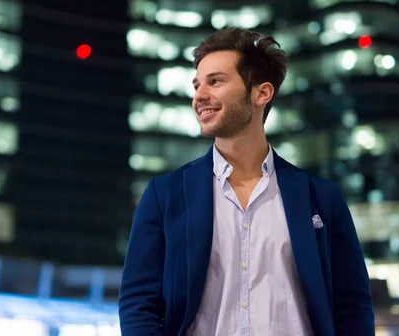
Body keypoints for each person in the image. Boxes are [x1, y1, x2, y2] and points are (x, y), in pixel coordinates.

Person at [118, 27, 374, 336]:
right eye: (197, 85)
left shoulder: (322, 197)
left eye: (216, 81)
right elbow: (138, 303)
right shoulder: (165, 195)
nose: (199, 96)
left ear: (261, 93)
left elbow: (353, 307)